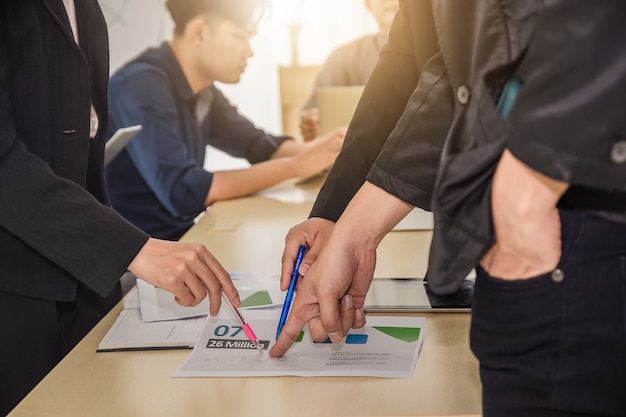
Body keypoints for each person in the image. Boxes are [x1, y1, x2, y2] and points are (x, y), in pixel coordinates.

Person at [270, 1, 626, 416]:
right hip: (524, 228)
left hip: (575, 216)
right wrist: (351, 231)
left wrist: (527, 188)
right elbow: (439, 70)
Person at [0, 1, 241, 414]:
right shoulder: (147, 81)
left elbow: (83, 155)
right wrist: (131, 248)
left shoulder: (86, 10)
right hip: (16, 285)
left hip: (85, 277)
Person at [105, 0, 345, 241]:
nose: (249, 51)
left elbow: (258, 145)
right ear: (199, 32)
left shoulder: (203, 91)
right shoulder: (141, 86)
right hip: (135, 257)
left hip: (179, 238)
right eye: (240, 36)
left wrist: (320, 154)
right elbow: (184, 192)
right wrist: (297, 164)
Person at [298, 0, 399, 141]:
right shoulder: (342, 58)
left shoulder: (438, 52)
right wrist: (311, 123)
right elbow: (314, 114)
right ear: (367, 4)